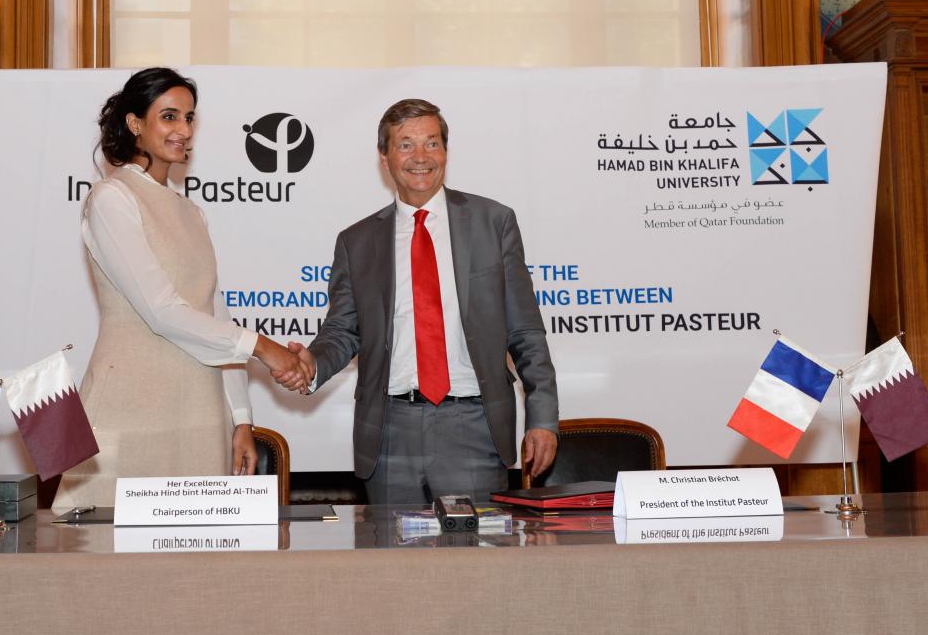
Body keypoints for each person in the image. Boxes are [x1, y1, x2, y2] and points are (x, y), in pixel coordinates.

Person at [52, 68, 310, 512]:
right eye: (169, 116)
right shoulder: (113, 198)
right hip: (131, 408)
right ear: (135, 123)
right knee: (106, 568)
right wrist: (265, 348)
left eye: (189, 118)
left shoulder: (192, 212)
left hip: (199, 411)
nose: (184, 130)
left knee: (195, 569)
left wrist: (241, 420)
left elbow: (216, 316)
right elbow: (161, 311)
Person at [281, 98, 559, 505]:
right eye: (406, 144)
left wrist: (543, 417)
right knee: (395, 566)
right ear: (384, 157)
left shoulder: (493, 223)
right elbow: (342, 331)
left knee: (476, 563)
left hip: (474, 426)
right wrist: (311, 363)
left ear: (445, 151)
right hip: (390, 433)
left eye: (432, 143)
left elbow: (526, 331)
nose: (421, 157)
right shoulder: (356, 242)